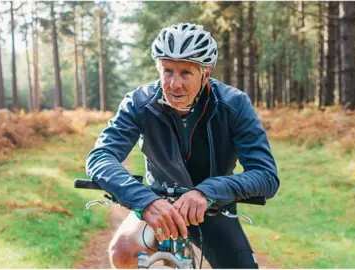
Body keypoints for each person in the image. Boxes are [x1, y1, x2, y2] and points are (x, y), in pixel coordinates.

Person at [86, 23, 280, 269]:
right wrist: (144, 200)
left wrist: (208, 191)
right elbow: (100, 157)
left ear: (205, 73)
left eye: (186, 73)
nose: (174, 83)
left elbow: (265, 175)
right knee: (122, 252)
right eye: (167, 71)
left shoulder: (234, 104)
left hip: (213, 207)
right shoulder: (138, 103)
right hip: (158, 204)